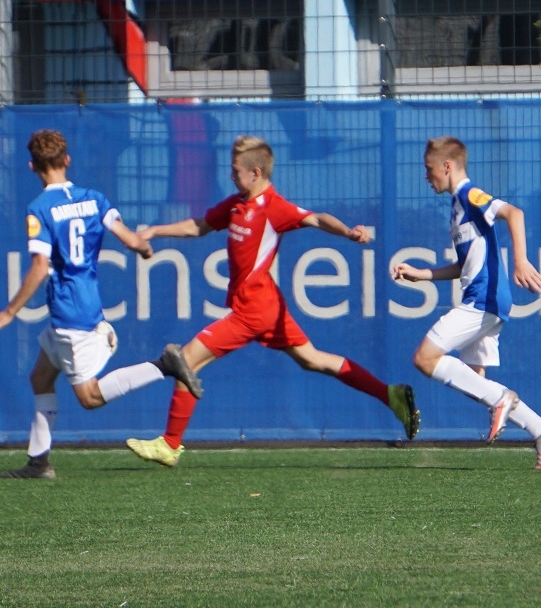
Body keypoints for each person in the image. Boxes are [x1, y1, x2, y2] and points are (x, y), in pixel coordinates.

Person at [123, 134, 419, 467]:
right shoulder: (237, 204)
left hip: (255, 311)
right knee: (312, 359)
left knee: (186, 359)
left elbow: (317, 218)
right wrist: (154, 232)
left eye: (236, 170)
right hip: (267, 305)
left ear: (257, 172)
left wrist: (349, 232)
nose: (231, 175)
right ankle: (391, 395)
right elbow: (199, 226)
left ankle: (170, 444)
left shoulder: (272, 207)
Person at [0, 129, 202, 479]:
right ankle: (38, 462)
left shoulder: (39, 209)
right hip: (73, 311)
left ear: (32, 167)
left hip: (72, 314)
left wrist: (9, 312)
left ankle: (164, 365)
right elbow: (130, 239)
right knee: (40, 377)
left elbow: (40, 266)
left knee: (89, 398)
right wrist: (145, 248)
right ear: (66, 160)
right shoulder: (95, 199)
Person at [390, 136, 541, 470]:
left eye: (429, 170)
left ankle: (503, 399)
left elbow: (514, 213)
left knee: (425, 358)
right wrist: (422, 274)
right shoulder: (458, 206)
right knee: (476, 381)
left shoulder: (470, 195)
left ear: (447, 166)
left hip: (483, 301)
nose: (427, 177)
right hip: (484, 300)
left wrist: (521, 261)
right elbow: (464, 265)